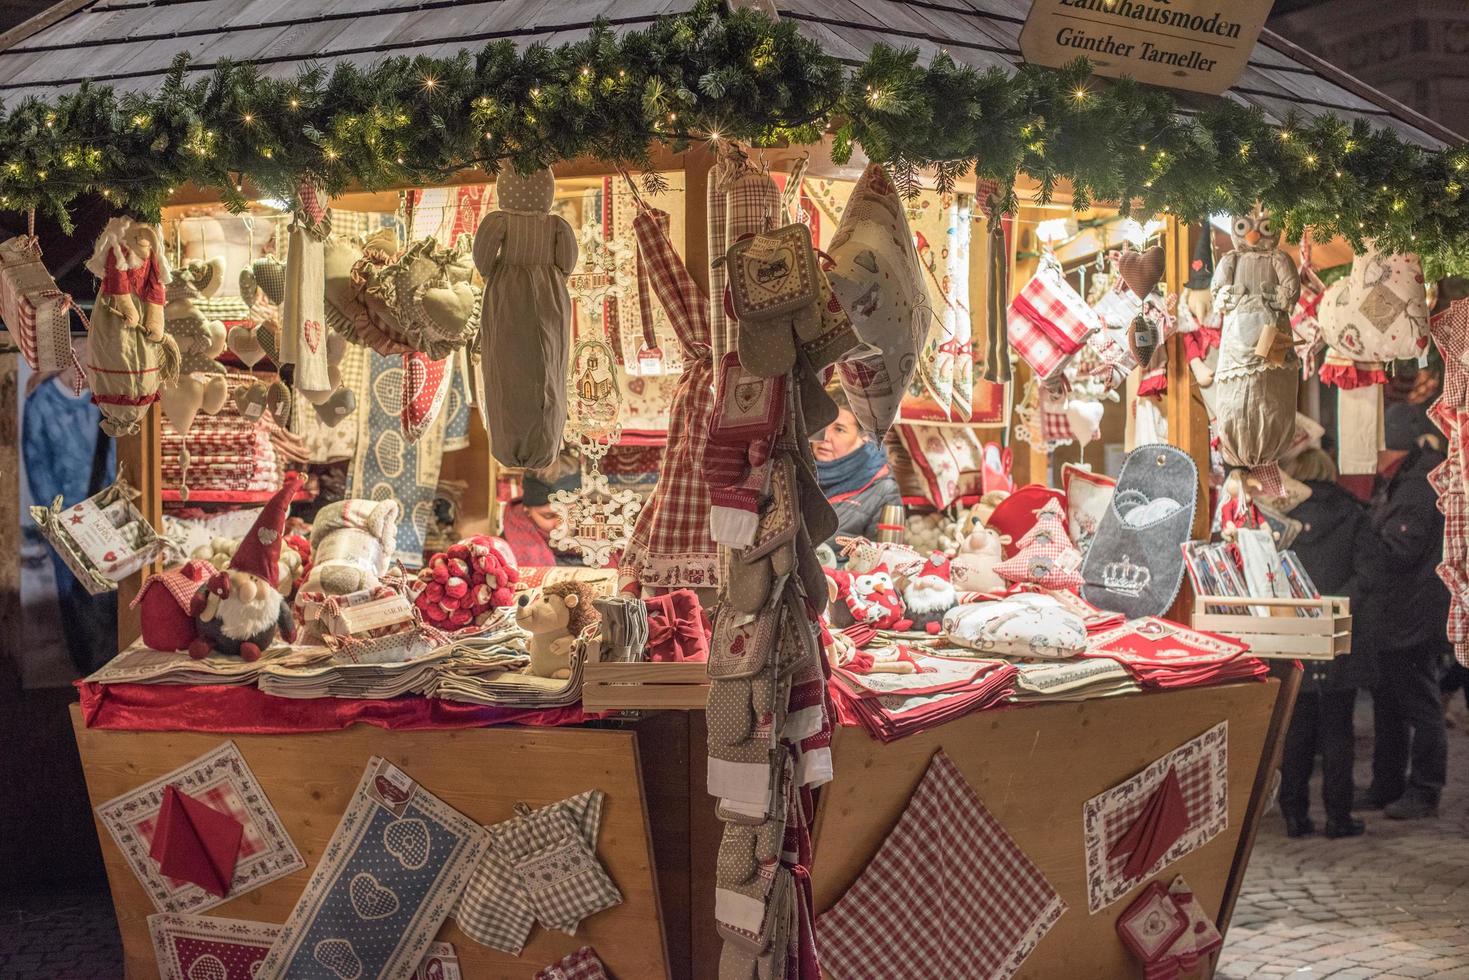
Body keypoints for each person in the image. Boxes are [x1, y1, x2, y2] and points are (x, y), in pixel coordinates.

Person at [1275, 448, 1380, 838]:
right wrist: (1334, 607)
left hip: (1294, 634)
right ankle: (1339, 817)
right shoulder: (1354, 514)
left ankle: (1295, 815)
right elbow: (1370, 574)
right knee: (1338, 728)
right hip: (1339, 632)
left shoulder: (1282, 518)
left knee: (1298, 728)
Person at [1357, 401, 1450, 820]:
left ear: (1389, 450)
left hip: (1410, 616)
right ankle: (1387, 784)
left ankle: (1425, 789)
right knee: (1389, 704)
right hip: (1395, 614)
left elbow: (1400, 550)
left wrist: (1361, 543)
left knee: (1419, 705)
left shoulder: (1417, 485)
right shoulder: (1407, 479)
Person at [810, 390, 901, 546]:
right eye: (822, 425)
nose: (824, 437)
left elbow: (883, 561)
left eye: (839, 429)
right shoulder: (795, 472)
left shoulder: (883, 490)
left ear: (864, 437)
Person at [500, 471, 583, 567]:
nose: (561, 525)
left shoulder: (596, 531)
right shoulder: (505, 551)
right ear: (527, 510)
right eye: (549, 516)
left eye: (571, 513)